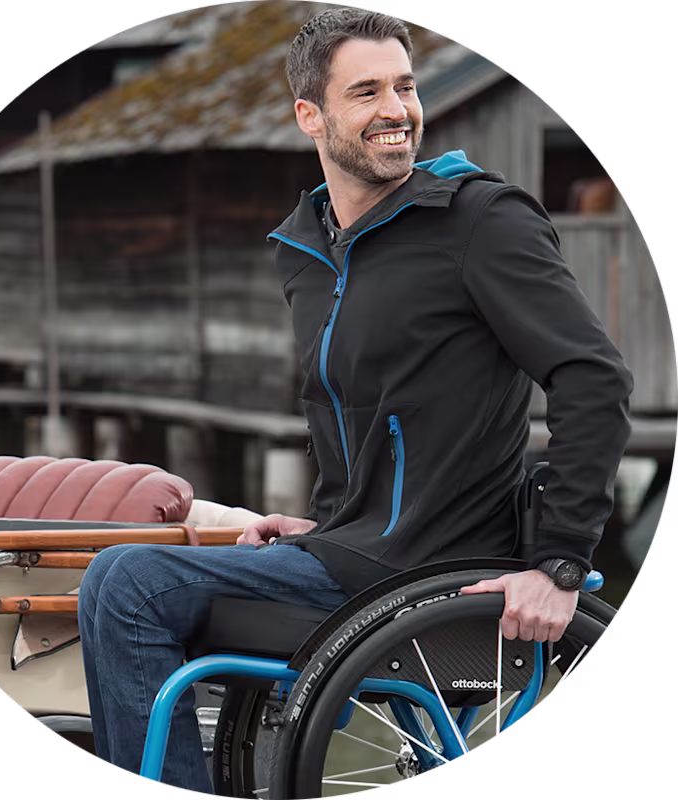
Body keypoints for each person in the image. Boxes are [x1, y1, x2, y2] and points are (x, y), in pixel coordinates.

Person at [77, 7, 633, 793]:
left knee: (127, 582)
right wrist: (324, 523)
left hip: (436, 563)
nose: (397, 110)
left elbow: (594, 377)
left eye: (404, 87)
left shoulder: (478, 220)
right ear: (311, 115)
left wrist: (561, 561)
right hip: (354, 548)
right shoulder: (306, 248)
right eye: (366, 91)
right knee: (126, 578)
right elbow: (363, 413)